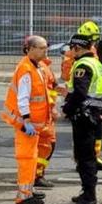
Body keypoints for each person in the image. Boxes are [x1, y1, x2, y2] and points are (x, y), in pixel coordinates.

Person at [0, 36, 51, 204]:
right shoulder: (26, 69)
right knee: (27, 158)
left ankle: (28, 190)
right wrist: (27, 121)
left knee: (31, 157)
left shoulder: (36, 67)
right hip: (25, 124)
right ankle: (23, 195)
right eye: (42, 48)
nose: (45, 50)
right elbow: (23, 99)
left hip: (31, 125)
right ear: (30, 49)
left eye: (46, 47)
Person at [62, 33, 102, 204]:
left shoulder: (82, 65)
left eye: (71, 49)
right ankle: (86, 192)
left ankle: (89, 197)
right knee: (88, 156)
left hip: (84, 117)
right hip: (94, 114)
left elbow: (80, 93)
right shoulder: (96, 63)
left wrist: (67, 109)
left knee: (85, 158)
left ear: (77, 48)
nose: (70, 52)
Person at [61, 20, 102, 172]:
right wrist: (69, 106)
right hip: (83, 104)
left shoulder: (90, 52)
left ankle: (92, 159)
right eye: (92, 38)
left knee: (96, 134)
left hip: (93, 103)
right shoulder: (75, 55)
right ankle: (83, 161)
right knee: (83, 138)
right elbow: (74, 82)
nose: (94, 42)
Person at [34, 53, 60, 189]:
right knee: (46, 144)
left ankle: (38, 173)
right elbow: (44, 92)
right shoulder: (41, 67)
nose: (46, 51)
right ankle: (37, 175)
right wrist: (53, 108)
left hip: (45, 114)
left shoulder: (44, 66)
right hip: (43, 114)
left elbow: (52, 87)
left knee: (48, 144)